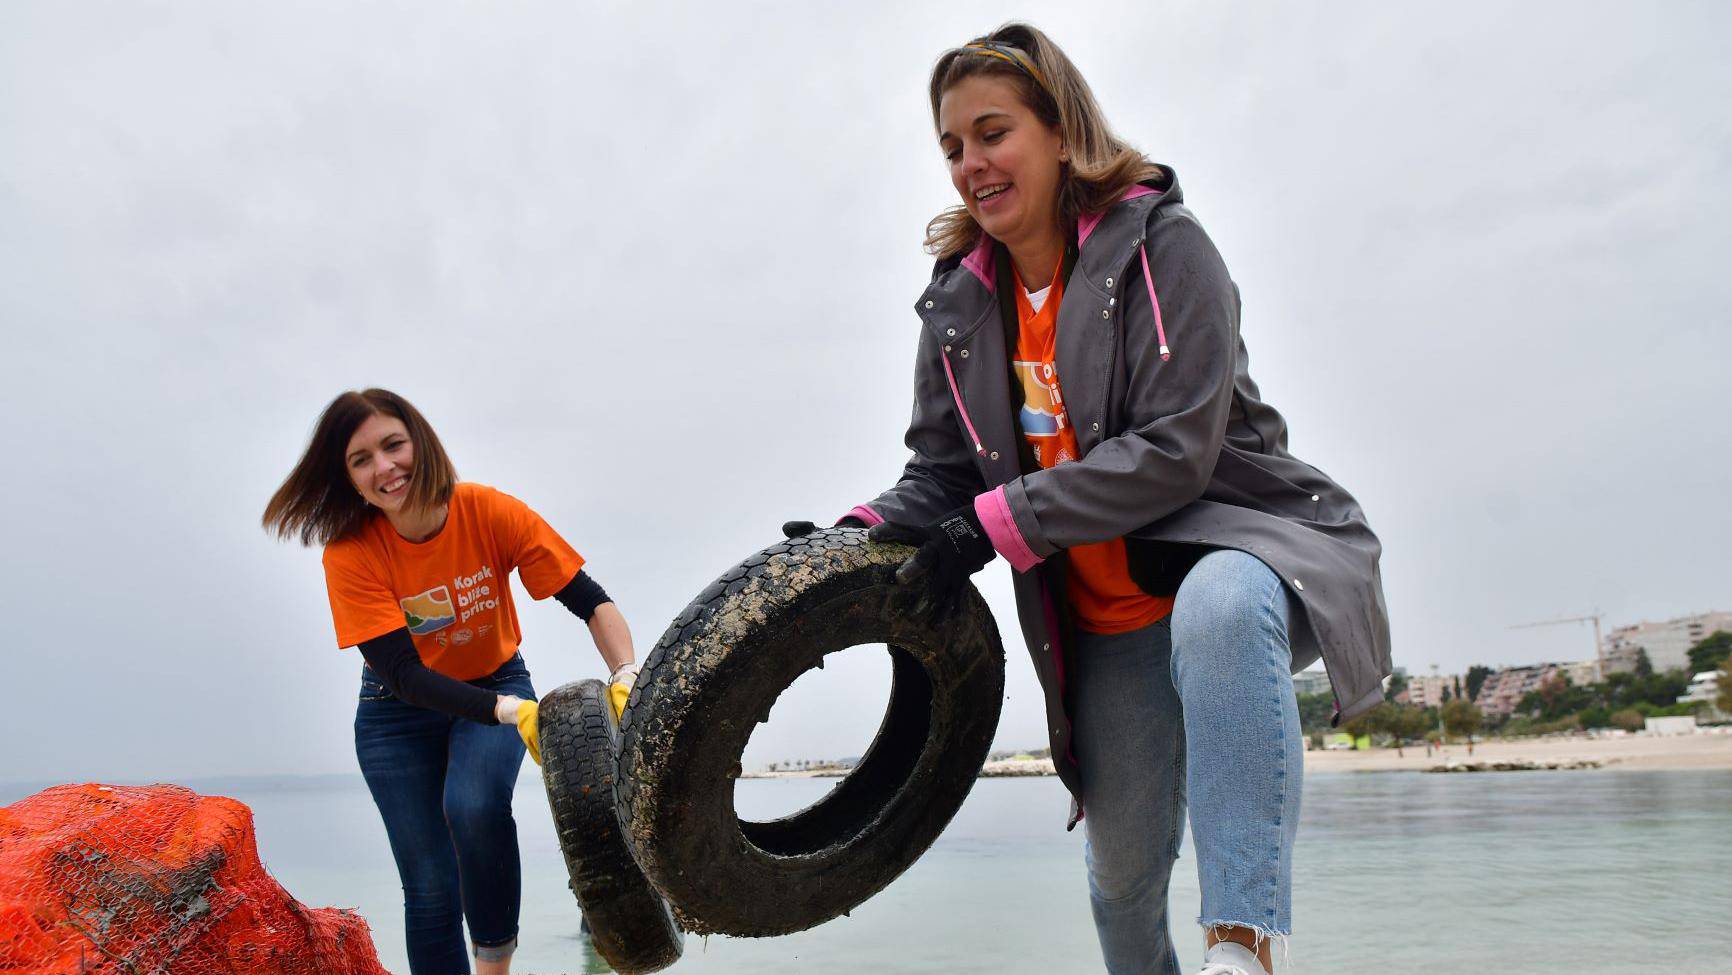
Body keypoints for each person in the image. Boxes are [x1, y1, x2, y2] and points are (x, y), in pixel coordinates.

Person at [812, 24, 1391, 975]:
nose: (971, 163)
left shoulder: (1167, 246)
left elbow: (1174, 450)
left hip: (1238, 556)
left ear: (1057, 128)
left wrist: (994, 524)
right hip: (1103, 622)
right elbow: (942, 474)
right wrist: (853, 541)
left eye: (992, 132)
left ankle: (1242, 941)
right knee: (1120, 885)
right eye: (952, 146)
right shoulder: (958, 305)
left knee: (1217, 603)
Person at [263, 388, 639, 975]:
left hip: (498, 676)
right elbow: (405, 675)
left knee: (474, 806)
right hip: (396, 712)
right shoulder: (350, 553)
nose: (384, 467)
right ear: (349, 479)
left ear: (422, 442)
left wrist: (627, 675)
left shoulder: (489, 512)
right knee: (431, 886)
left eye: (393, 445)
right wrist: (510, 713)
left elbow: (591, 601)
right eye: (361, 460)